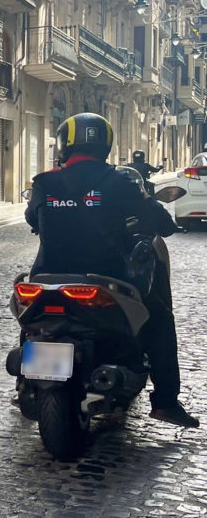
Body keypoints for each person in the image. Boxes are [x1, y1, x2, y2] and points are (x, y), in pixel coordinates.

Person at [26, 113, 197, 428]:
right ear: (105, 146)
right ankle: (165, 402)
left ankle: (27, 383)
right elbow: (159, 222)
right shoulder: (118, 182)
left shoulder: (44, 182)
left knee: (34, 321)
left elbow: (32, 220)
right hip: (106, 279)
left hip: (47, 278)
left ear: (64, 144)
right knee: (159, 320)